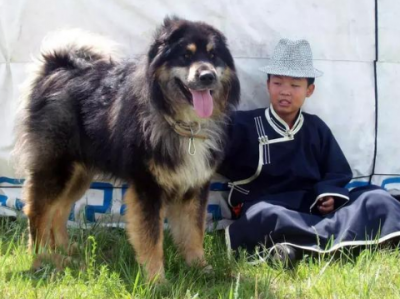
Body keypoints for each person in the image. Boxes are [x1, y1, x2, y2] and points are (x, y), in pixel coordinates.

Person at [218, 38, 400, 265]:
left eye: (295, 85)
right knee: (264, 216)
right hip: (268, 205)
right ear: (267, 85)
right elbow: (210, 154)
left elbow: (337, 172)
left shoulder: (316, 128)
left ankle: (297, 248)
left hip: (311, 206)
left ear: (309, 90)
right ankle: (344, 242)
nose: (285, 92)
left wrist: (328, 195)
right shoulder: (242, 124)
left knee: (377, 198)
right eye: (278, 83)